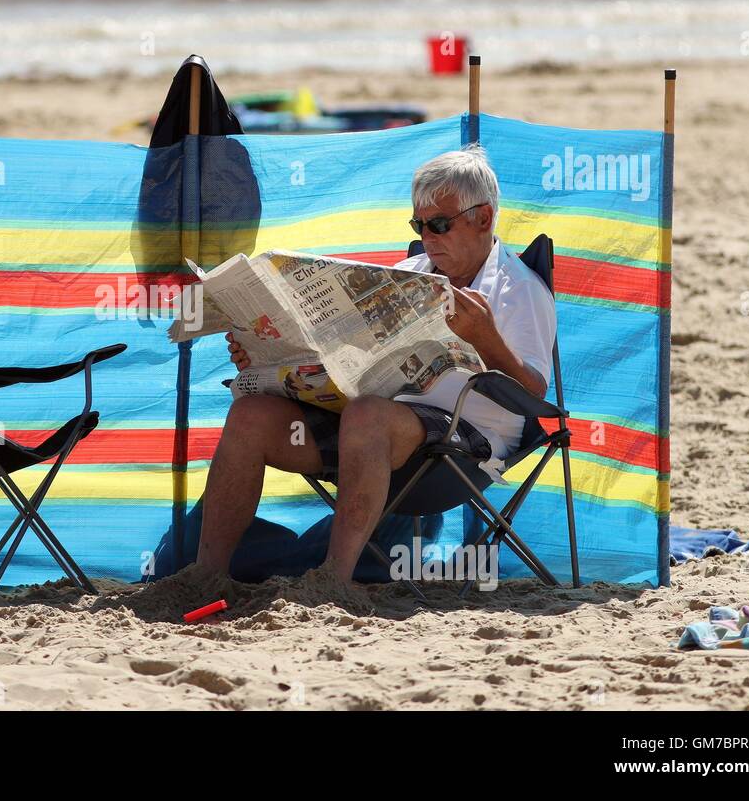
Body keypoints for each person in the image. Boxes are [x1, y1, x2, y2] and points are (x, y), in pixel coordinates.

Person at [194, 146, 557, 586]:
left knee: (368, 415)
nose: (429, 237)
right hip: (375, 430)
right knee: (251, 416)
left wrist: (485, 339)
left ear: (483, 218)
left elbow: (533, 394)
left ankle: (334, 581)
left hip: (465, 446)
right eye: (419, 225)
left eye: (440, 224)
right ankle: (205, 576)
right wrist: (268, 356)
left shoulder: (518, 288)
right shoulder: (410, 274)